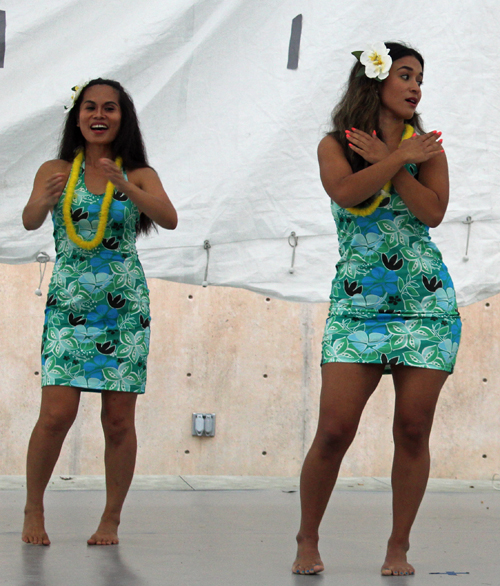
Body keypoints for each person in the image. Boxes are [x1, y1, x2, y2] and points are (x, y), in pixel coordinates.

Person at [292, 42, 461, 576]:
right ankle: (307, 537)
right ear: (376, 81)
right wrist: (394, 160)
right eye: (405, 75)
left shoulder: (427, 150)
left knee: (412, 429)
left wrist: (402, 165)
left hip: (425, 303)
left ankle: (398, 547)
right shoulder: (334, 144)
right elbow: (345, 192)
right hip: (358, 306)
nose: (415, 87)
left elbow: (432, 214)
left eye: (420, 79)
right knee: (335, 429)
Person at [21, 78, 177, 546]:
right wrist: (43, 200)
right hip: (69, 303)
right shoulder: (55, 169)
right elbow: (30, 219)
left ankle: (111, 518)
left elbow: (168, 218)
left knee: (118, 420)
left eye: (110, 108)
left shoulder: (139, 173)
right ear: (77, 116)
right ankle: (33, 508)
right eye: (90, 107)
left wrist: (124, 185)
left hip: (123, 307)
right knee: (55, 414)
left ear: (122, 118)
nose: (99, 115)